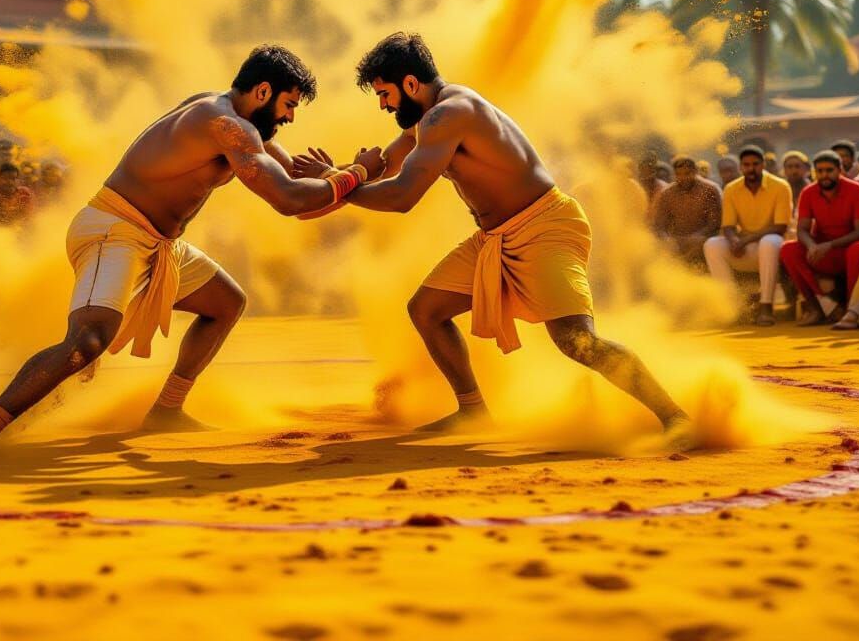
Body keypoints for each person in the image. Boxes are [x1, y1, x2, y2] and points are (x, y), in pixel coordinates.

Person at [0, 45, 364, 466]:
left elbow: (294, 180)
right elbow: (288, 199)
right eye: (289, 105)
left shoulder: (232, 119)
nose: (290, 117)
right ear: (262, 91)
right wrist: (357, 176)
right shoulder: (225, 124)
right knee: (87, 341)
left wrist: (339, 179)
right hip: (114, 230)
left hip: (156, 243)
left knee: (225, 303)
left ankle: (166, 411)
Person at [295, 32, 693, 448]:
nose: (383, 105)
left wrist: (335, 185)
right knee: (427, 309)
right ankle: (473, 411)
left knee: (578, 342)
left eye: (385, 94)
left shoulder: (448, 114)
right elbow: (383, 166)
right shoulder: (426, 120)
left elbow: (402, 197)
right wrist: (342, 175)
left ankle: (676, 417)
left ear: (410, 84)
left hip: (544, 228)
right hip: (495, 237)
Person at [703, 146, 792, 326]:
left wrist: (745, 240)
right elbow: (727, 226)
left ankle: (766, 307)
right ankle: (733, 308)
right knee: (712, 244)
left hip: (773, 248)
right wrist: (734, 240)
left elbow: (780, 227)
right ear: (741, 167)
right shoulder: (731, 188)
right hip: (747, 248)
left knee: (769, 241)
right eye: (747, 165)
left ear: (763, 165)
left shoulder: (780, 186)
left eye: (755, 164)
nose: (751, 169)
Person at [781, 151, 859, 328]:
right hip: (822, 252)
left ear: (840, 170)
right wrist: (812, 245)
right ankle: (816, 308)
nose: (824, 175)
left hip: (849, 249)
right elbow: (802, 230)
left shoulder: (856, 190)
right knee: (789, 249)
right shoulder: (809, 192)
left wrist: (830, 245)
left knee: (858, 249)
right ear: (814, 172)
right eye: (819, 171)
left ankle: (851, 310)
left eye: (829, 170)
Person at [651, 156, 722, 264]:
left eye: (687, 173)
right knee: (659, 245)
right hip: (677, 239)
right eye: (679, 174)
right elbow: (660, 225)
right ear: (674, 175)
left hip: (703, 237)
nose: (683, 178)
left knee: (699, 243)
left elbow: (714, 223)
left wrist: (696, 236)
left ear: (695, 172)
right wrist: (667, 239)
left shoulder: (710, 190)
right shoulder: (667, 193)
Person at [0, 162, 34, 226]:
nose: (10, 182)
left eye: (13, 178)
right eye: (5, 178)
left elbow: (29, 218)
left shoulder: (25, 193)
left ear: (18, 179)